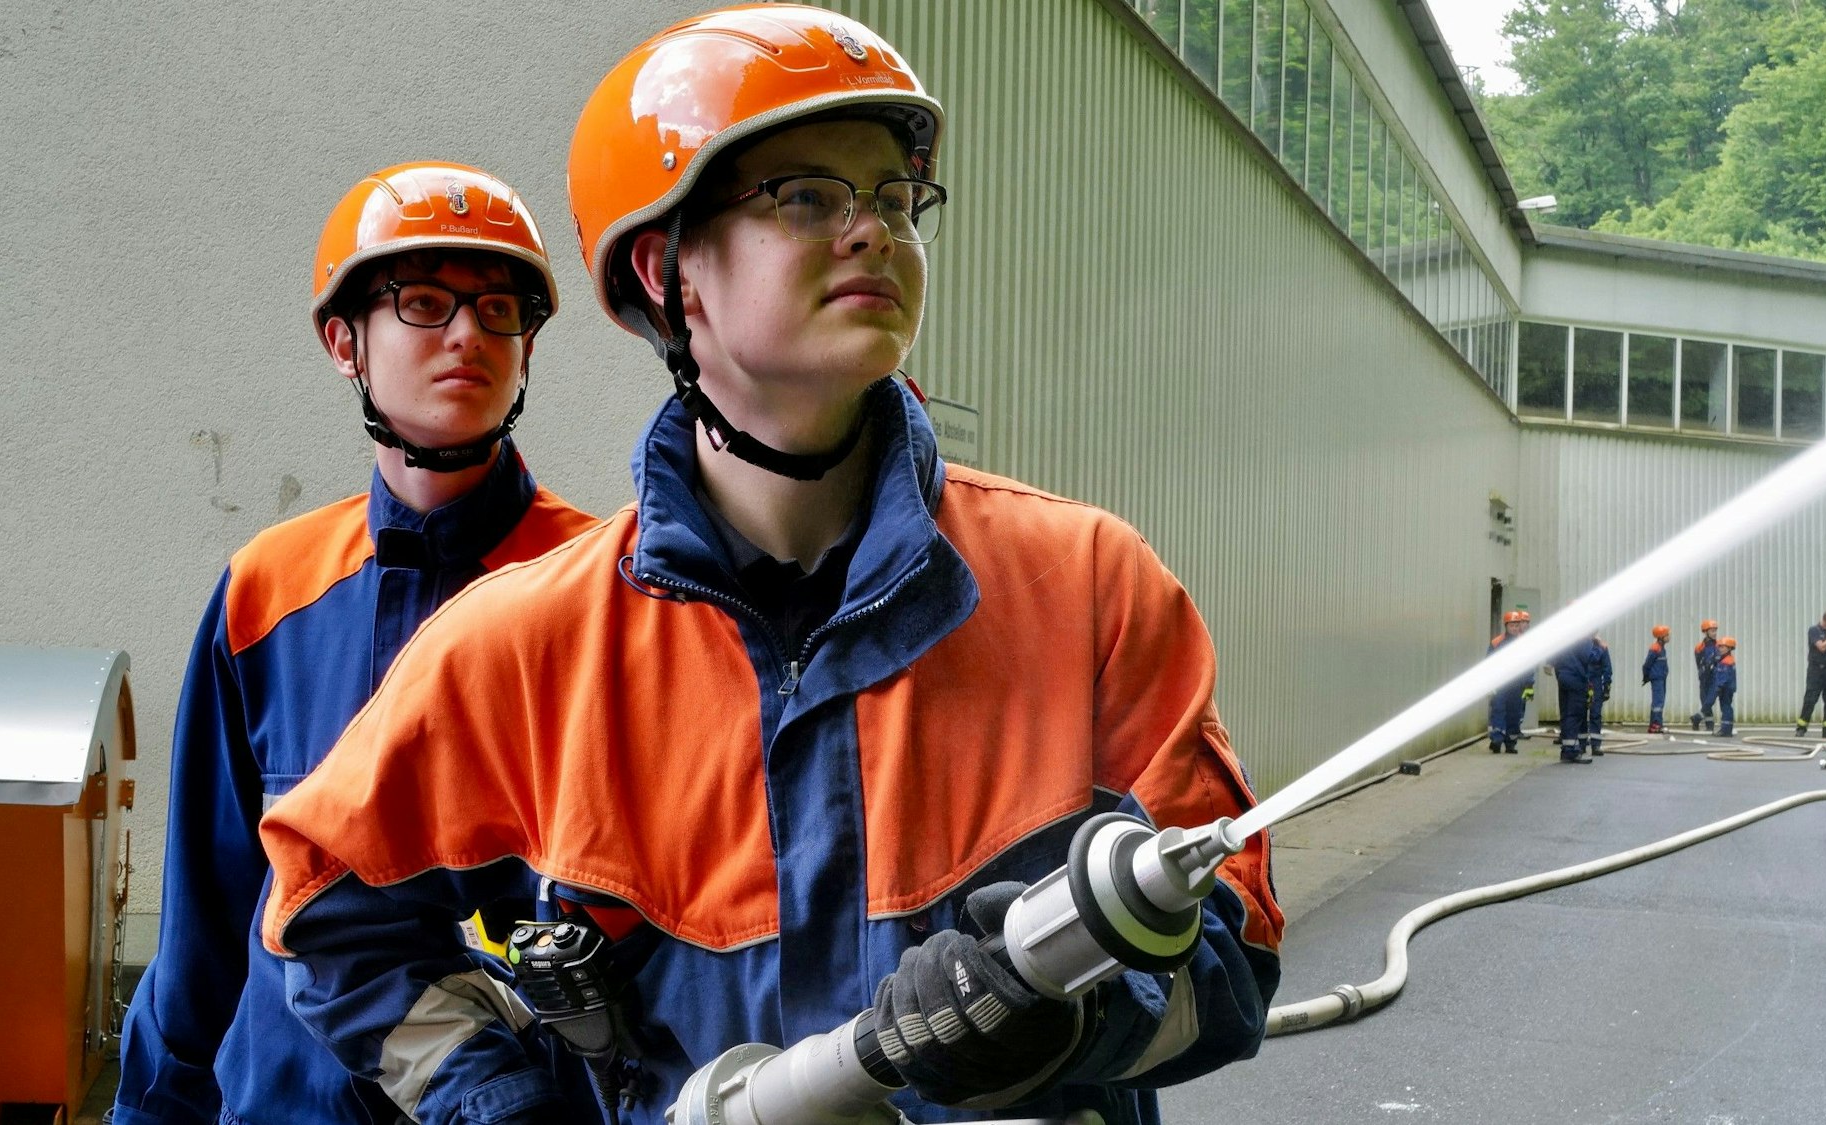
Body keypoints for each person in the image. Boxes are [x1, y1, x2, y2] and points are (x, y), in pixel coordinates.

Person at [257, 10, 1284, 1125]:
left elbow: (1233, 946)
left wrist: (1077, 1025)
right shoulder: (525, 645)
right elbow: (330, 920)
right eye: (805, 197)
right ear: (666, 270)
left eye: (894, 199)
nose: (872, 231)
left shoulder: (1083, 589)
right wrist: (506, 1106)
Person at [113, 163, 595, 1125]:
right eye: (423, 302)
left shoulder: (599, 590)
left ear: (528, 346)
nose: (467, 333)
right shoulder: (268, 589)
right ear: (345, 342)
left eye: (498, 308)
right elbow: (207, 914)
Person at [1487, 609, 1533, 753]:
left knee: (1514, 713)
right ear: (1506, 626)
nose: (1514, 628)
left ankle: (1510, 743)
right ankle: (1496, 740)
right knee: (1498, 711)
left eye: (1516, 625)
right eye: (1512, 625)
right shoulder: (1496, 643)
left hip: (1517, 685)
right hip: (1500, 684)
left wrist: (1529, 685)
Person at [1552, 634, 1600, 764]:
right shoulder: (1582, 638)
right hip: (1576, 678)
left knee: (1566, 714)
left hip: (1563, 677)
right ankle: (1572, 751)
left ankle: (1566, 749)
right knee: (1575, 714)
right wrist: (1598, 647)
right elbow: (1590, 657)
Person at [1796, 609, 1826, 739]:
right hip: (1816, 670)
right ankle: (1801, 728)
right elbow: (1822, 647)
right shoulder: (1814, 630)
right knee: (1810, 699)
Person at [1641, 624, 1671, 733]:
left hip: (1661, 678)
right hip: (1657, 679)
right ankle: (1656, 725)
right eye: (1667, 635)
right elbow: (1647, 664)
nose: (1669, 637)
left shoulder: (1661, 649)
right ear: (1661, 636)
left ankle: (1656, 724)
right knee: (1658, 702)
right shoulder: (1655, 649)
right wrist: (1646, 676)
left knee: (1659, 702)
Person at [1585, 634, 1612, 756]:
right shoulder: (1582, 646)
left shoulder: (1601, 647)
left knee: (1595, 714)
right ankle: (1581, 744)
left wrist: (1607, 686)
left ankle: (1595, 744)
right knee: (1581, 713)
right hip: (1583, 681)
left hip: (1594, 682)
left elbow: (1607, 668)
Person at [1713, 637, 1738, 737]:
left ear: (1729, 648)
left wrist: (1719, 687)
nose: (1720, 649)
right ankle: (1725, 728)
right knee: (1726, 707)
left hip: (1726, 688)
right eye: (1720, 647)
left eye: (1723, 647)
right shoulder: (1727, 660)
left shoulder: (1726, 662)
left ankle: (1726, 730)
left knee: (1726, 707)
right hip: (1728, 687)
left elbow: (1724, 677)